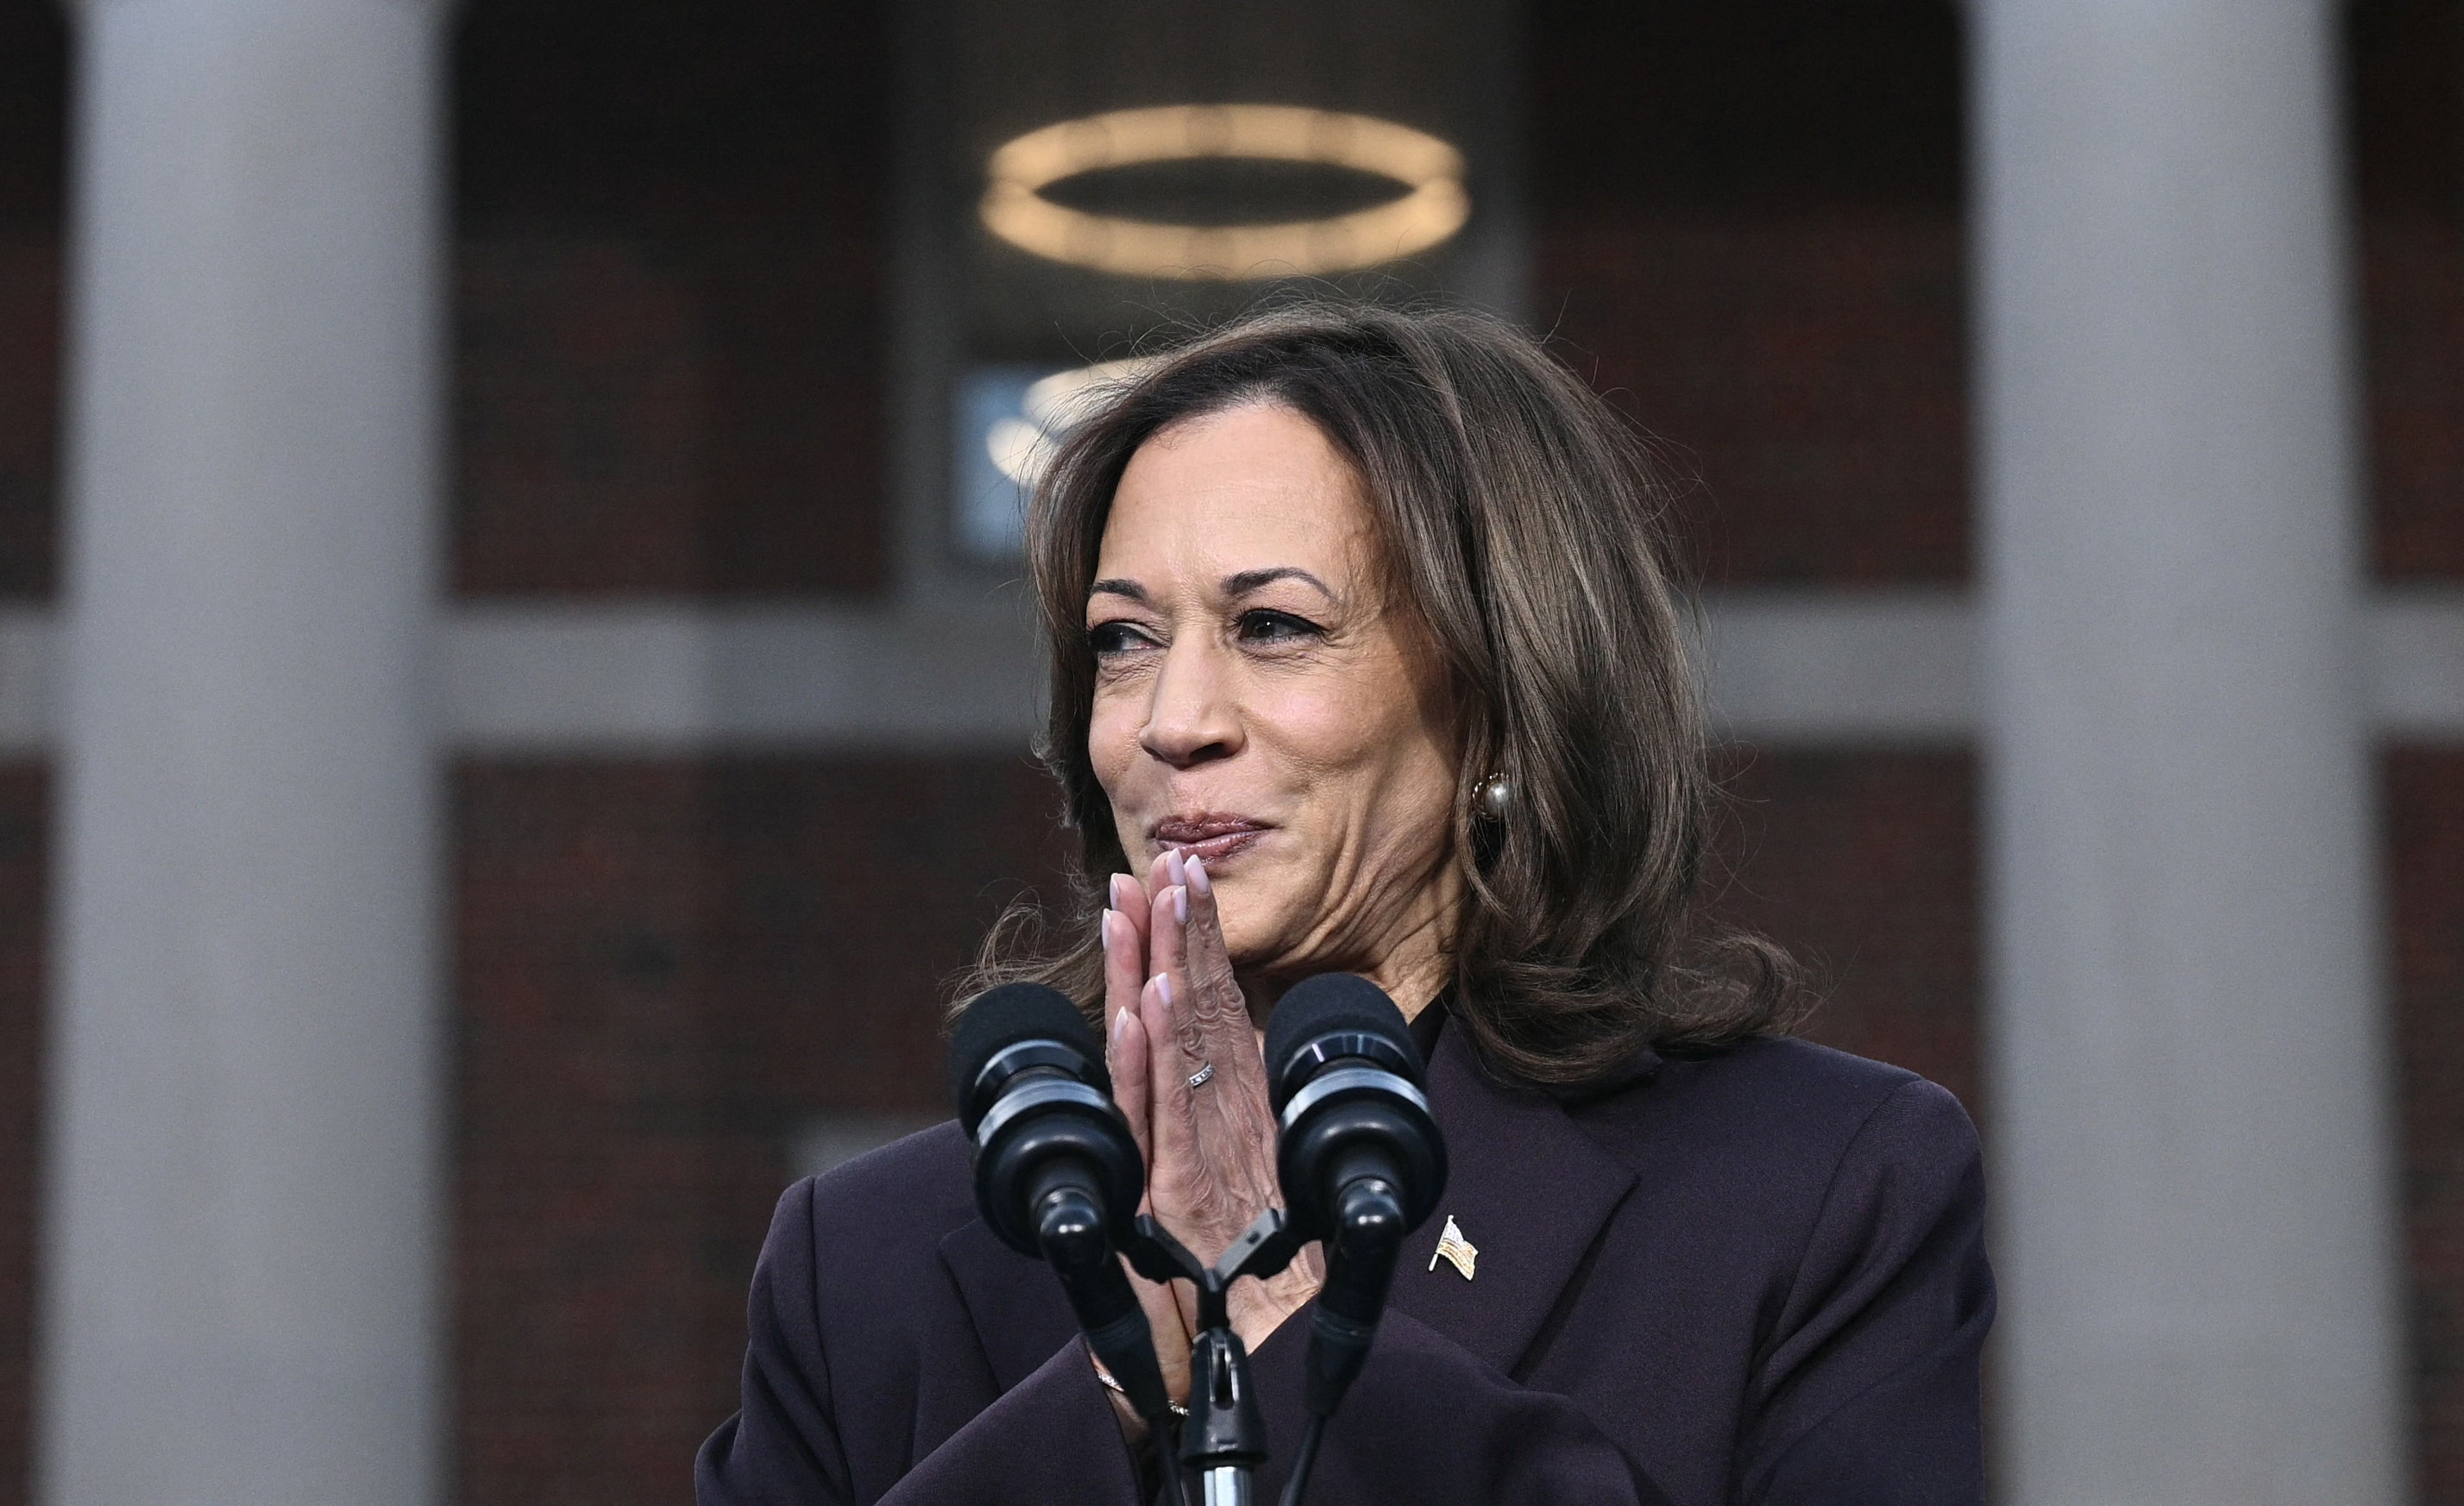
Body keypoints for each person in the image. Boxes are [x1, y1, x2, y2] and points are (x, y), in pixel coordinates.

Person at [695, 302, 1993, 1505]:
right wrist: (1114, 1382)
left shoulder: (1815, 1188)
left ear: (1497, 700)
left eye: (1271, 627)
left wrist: (1291, 1332)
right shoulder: (862, 1259)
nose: (1172, 722)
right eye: (1122, 639)